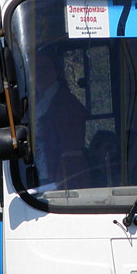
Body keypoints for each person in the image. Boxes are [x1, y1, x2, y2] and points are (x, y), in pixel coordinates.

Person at [31, 51, 87, 186]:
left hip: (58, 179)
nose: (40, 74)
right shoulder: (34, 101)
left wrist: (59, 181)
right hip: (35, 174)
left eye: (45, 68)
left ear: (56, 71)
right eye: (36, 69)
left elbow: (70, 152)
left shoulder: (67, 104)